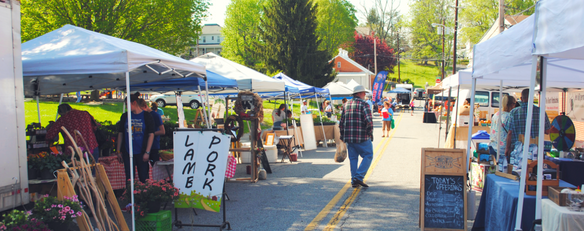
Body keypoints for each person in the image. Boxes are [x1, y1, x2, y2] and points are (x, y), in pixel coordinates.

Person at [115, 93, 155, 183]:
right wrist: (118, 150)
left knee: (144, 177)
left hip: (142, 151)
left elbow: (151, 134)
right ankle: (130, 194)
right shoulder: (125, 116)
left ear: (134, 103)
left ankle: (143, 195)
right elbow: (121, 133)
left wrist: (147, 152)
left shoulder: (147, 116)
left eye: (127, 104)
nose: (126, 107)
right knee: (129, 178)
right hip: (128, 151)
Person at [504, 89, 551, 163]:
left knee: (517, 172)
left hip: (517, 151)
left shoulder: (514, 112)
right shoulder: (541, 112)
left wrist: (507, 148)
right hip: (535, 153)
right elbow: (548, 131)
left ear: (521, 98)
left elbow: (509, 132)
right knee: (534, 172)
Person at [339, 85, 373, 188]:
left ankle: (354, 180)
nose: (364, 95)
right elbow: (369, 122)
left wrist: (342, 135)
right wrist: (370, 133)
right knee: (368, 155)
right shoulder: (364, 104)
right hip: (362, 136)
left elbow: (341, 123)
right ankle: (358, 176)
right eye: (363, 93)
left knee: (353, 158)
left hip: (349, 137)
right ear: (359, 94)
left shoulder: (346, 105)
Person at [489, 95, 516, 162]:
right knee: (503, 170)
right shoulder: (510, 116)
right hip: (503, 150)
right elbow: (510, 133)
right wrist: (508, 148)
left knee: (493, 169)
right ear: (512, 104)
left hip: (492, 146)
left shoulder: (496, 114)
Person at [140, 100, 166, 164]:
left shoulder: (156, 115)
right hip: (143, 146)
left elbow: (162, 131)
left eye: (141, 109)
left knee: (154, 166)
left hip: (154, 145)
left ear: (145, 106)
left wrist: (150, 134)